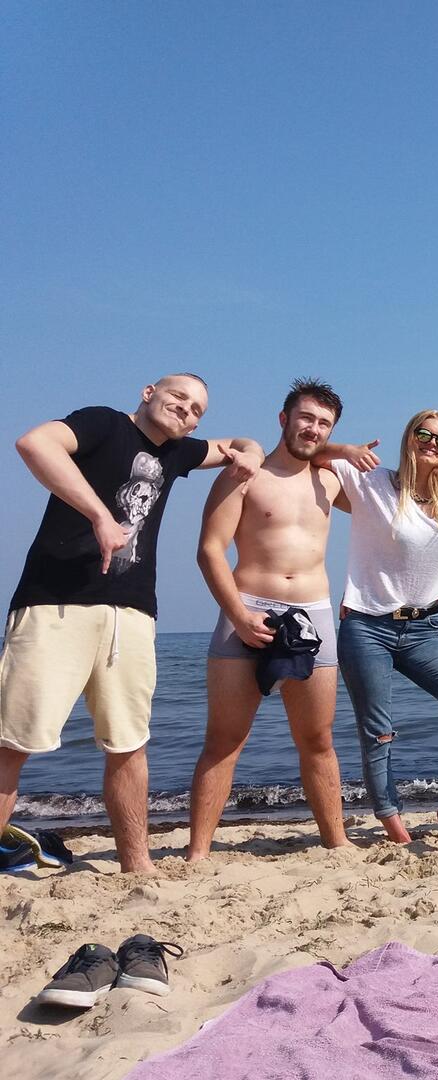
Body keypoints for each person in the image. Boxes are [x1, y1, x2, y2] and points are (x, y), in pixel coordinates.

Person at [0, 374, 263, 874]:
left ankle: (137, 867)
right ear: (148, 393)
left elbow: (238, 442)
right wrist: (99, 516)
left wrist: (250, 452)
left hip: (134, 614)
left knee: (128, 744)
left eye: (196, 409)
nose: (185, 410)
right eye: (178, 397)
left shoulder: (178, 452)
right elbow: (34, 443)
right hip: (56, 605)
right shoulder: (104, 423)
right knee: (13, 744)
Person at [187, 379, 362, 860]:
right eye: (306, 418)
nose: (313, 428)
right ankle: (198, 853)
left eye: (324, 423)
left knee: (318, 739)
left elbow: (393, 512)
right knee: (224, 739)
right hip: (247, 607)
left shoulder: (331, 481)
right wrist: (239, 615)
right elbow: (209, 551)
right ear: (284, 419)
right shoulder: (245, 474)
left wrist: (344, 452)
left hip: (313, 613)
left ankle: (337, 843)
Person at [328, 409, 438, 844]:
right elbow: (302, 452)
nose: (432, 444)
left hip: (425, 629)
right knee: (378, 732)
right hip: (367, 626)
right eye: (424, 434)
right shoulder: (371, 482)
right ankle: (395, 827)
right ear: (409, 437)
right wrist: (343, 449)